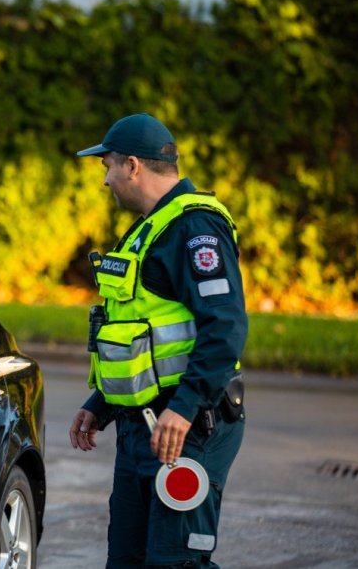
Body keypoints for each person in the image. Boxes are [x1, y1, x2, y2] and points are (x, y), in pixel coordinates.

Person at [70, 113, 248, 568]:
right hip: (145, 427)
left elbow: (225, 329)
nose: (105, 181)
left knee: (175, 563)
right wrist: (101, 403)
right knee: (127, 559)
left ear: (132, 165)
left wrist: (184, 408)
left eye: (107, 166)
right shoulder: (150, 228)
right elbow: (145, 336)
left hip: (187, 427)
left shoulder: (194, 229)